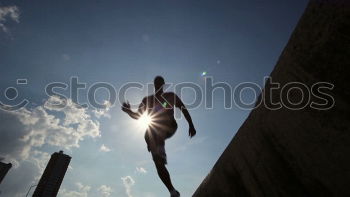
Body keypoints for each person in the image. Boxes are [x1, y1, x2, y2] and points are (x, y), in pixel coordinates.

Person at [122, 76, 196, 197]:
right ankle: (172, 191)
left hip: (169, 126)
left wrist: (191, 124)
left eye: (160, 84)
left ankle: (158, 147)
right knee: (158, 162)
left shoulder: (170, 96)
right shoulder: (147, 100)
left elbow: (183, 109)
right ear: (154, 85)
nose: (158, 86)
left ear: (163, 85)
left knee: (154, 125)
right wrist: (128, 111)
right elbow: (138, 116)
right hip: (154, 134)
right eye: (156, 84)